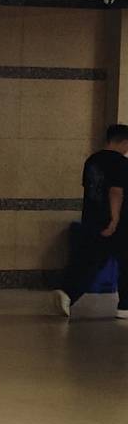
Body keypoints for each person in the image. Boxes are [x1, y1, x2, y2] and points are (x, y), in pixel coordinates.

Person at [54, 123, 128, 319]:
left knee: (90, 260)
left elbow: (91, 189)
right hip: (117, 224)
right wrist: (114, 219)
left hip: (92, 218)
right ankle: (125, 306)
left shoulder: (92, 161)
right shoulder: (121, 163)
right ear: (124, 141)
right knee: (125, 263)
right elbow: (116, 191)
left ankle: (67, 293)